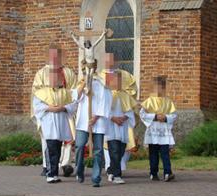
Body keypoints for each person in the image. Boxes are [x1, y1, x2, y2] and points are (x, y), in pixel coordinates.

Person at [32, 46, 84, 183]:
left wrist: (64, 107)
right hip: (48, 116)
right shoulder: (41, 73)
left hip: (64, 116)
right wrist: (49, 107)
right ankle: (49, 168)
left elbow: (74, 94)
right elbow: (37, 94)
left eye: (57, 55)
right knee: (50, 145)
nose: (54, 58)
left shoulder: (68, 72)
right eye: (52, 55)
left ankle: (65, 164)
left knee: (64, 141)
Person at [75, 54, 113, 187]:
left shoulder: (102, 83)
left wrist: (96, 117)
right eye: (85, 69)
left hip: (98, 120)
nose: (87, 71)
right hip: (83, 121)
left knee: (98, 149)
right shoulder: (81, 83)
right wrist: (85, 83)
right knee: (79, 145)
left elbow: (106, 101)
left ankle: (96, 178)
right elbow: (75, 98)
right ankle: (79, 170)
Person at [103, 55, 138, 184]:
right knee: (114, 150)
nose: (116, 83)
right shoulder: (107, 95)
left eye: (119, 81)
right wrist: (113, 118)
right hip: (111, 128)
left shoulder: (124, 95)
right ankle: (117, 175)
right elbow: (104, 111)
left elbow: (129, 111)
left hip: (122, 127)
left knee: (121, 150)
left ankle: (111, 171)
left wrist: (124, 117)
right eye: (114, 81)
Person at [140, 76, 177, 182]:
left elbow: (174, 115)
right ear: (153, 88)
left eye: (161, 87)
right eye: (157, 87)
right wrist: (155, 116)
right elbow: (142, 114)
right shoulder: (149, 101)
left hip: (164, 130)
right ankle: (153, 173)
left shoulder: (168, 101)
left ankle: (167, 172)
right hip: (153, 129)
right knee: (153, 153)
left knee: (165, 152)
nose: (159, 89)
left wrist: (166, 117)